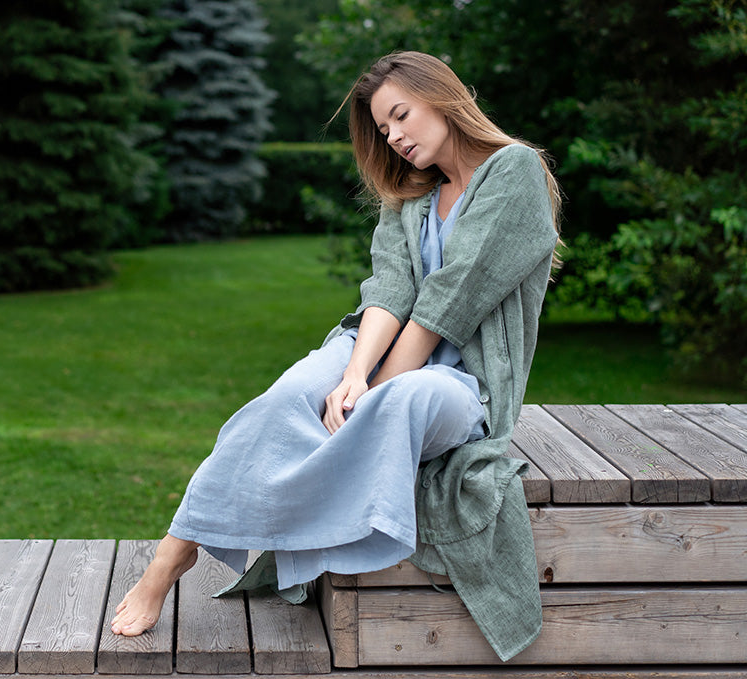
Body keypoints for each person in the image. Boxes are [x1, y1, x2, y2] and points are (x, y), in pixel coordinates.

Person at [110, 51, 562, 661]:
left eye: (402, 116)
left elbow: (449, 302)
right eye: (384, 129)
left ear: (444, 97)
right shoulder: (410, 193)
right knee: (288, 397)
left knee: (397, 403)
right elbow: (391, 290)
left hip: (463, 382)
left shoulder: (515, 172)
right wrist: (353, 372)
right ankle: (175, 550)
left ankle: (260, 528)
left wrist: (372, 391)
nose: (395, 138)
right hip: (375, 345)